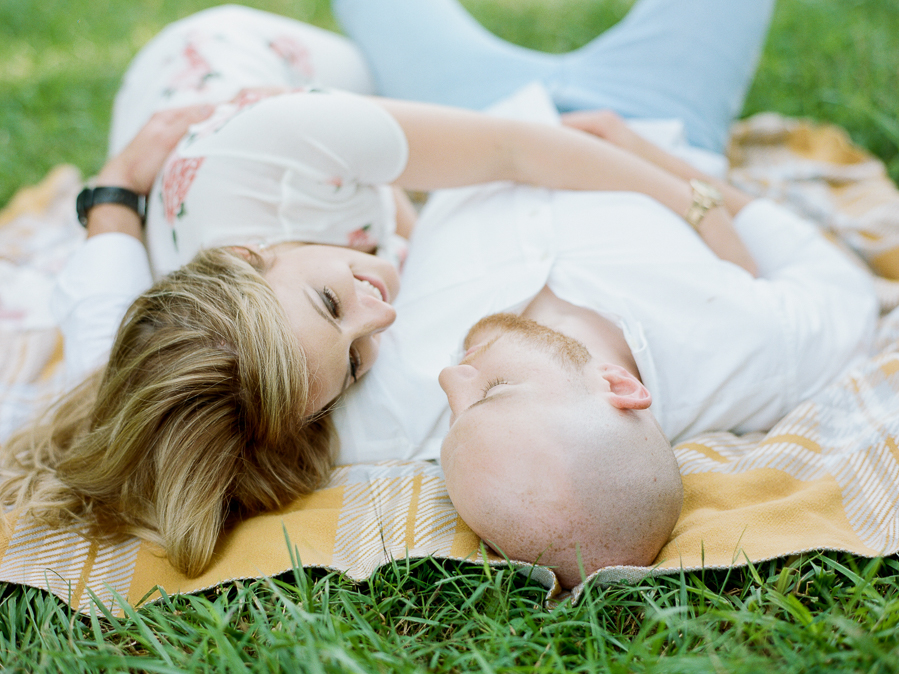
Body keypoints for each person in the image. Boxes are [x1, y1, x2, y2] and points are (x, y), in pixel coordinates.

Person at [0, 2, 765, 578]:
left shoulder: (282, 139)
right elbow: (113, 367)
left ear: (244, 255)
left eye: (332, 306)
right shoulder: (209, 360)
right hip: (403, 145)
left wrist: (699, 205)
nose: (384, 312)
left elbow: (512, 146)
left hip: (251, 59)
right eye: (360, 359)